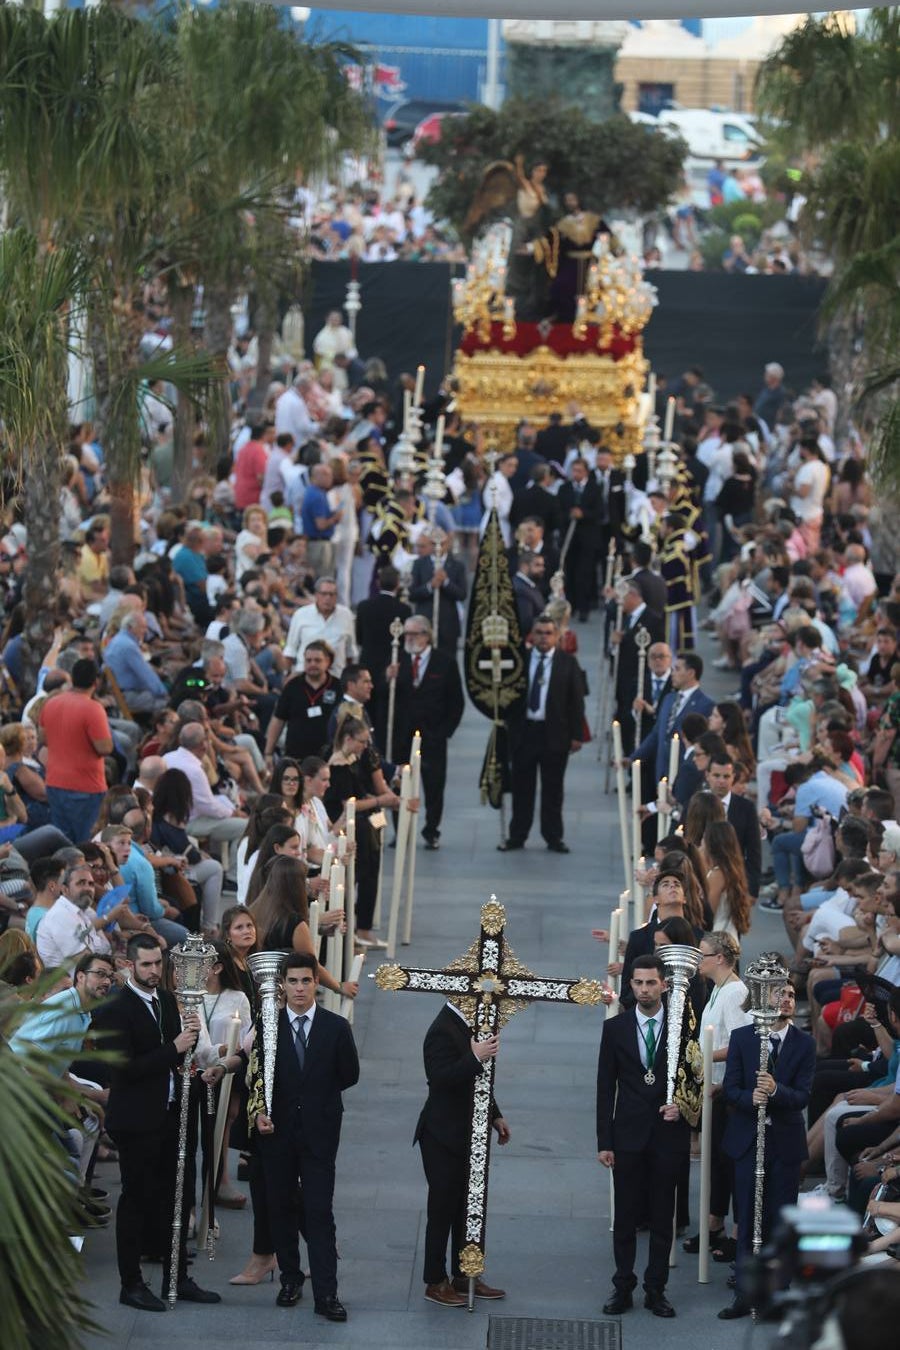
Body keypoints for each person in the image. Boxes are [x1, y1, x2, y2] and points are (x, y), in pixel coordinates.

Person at [93, 933, 220, 1312]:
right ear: (130, 965)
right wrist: (174, 1048)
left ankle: (176, 1276)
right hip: (135, 1120)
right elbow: (123, 1069)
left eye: (157, 964)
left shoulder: (166, 1000)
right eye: (146, 964)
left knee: (176, 1196)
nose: (153, 970)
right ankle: (130, 1284)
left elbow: (177, 1056)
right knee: (136, 1201)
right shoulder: (115, 1007)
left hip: (170, 1114)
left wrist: (193, 1055)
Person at [251, 952, 359, 1322]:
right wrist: (261, 1112)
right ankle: (290, 1279)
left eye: (306, 981)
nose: (299, 989)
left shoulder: (335, 1027)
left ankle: (326, 1294)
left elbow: (350, 1074)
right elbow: (258, 1076)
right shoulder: (267, 1025)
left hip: (319, 1133)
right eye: (293, 981)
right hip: (276, 1133)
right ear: (281, 984)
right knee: (280, 1207)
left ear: (316, 983)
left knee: (318, 1212)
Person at [596, 954, 694, 1318]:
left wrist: (682, 1106)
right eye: (638, 983)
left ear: (664, 985)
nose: (644, 989)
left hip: (668, 1134)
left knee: (661, 1213)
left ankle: (656, 1289)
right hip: (628, 1134)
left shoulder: (683, 1027)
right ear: (631, 985)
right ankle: (623, 1285)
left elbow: (694, 1079)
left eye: (651, 983)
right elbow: (605, 1088)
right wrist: (604, 1141)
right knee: (625, 1215)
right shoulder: (616, 1029)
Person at [719, 980, 816, 1318]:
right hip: (748, 1141)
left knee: (779, 1219)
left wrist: (776, 1092)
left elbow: (803, 1096)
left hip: (785, 1145)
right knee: (746, 1217)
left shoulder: (805, 1044)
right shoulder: (744, 1038)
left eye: (791, 995)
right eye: (781, 994)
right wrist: (751, 1098)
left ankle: (778, 1294)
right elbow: (730, 1088)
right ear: (766, 998)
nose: (788, 999)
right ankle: (744, 1294)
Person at [414, 999, 509, 1307]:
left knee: (466, 1207)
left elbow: (478, 1082)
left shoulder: (467, 1025)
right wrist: (474, 1056)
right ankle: (434, 1280)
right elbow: (440, 1080)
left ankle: (464, 1274)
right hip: (442, 1135)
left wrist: (495, 1114)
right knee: (442, 1208)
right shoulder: (441, 1030)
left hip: (469, 1132)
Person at [683, 933, 749, 1260]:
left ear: (720, 958)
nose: (699, 960)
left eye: (703, 954)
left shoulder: (735, 993)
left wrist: (703, 1056)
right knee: (714, 1162)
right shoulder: (717, 990)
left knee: (727, 1162)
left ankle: (736, 1232)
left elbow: (741, 1045)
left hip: (726, 1091)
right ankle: (714, 1224)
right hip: (715, 1089)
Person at [501, 616, 584, 853]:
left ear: (557, 636)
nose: (544, 637)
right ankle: (517, 835)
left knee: (553, 789)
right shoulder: (521, 661)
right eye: (539, 632)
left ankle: (553, 836)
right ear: (532, 635)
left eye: (548, 633)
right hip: (524, 732)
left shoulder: (567, 663)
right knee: (521, 788)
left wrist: (576, 734)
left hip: (554, 734)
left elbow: (576, 701)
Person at [392, 616, 464, 850]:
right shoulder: (397, 660)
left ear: (427, 635)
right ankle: (401, 829)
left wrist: (445, 731)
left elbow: (456, 701)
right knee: (400, 783)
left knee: (434, 785)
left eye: (415, 634)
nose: (410, 638)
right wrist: (388, 679)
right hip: (402, 736)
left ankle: (431, 829)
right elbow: (385, 697)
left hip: (433, 736)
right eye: (407, 634)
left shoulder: (445, 662)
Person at [39, 657, 113, 843]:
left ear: (72, 679)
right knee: (86, 844)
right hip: (86, 787)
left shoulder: (51, 703)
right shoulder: (93, 709)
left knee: (62, 842)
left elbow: (43, 739)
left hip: (55, 783)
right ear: (96, 682)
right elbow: (105, 748)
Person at [632, 652, 714, 786]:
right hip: (662, 771)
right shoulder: (669, 699)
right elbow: (656, 734)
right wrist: (633, 759)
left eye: (677, 669)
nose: (672, 673)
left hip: (685, 772)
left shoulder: (705, 704)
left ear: (691, 673)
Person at [266, 640, 342, 765]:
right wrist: (268, 753)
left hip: (328, 759)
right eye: (308, 660)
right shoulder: (292, 686)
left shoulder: (337, 687)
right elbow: (278, 720)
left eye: (317, 660)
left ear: (328, 662)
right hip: (296, 757)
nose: (312, 664)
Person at [408, 530, 467, 654]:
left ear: (448, 543)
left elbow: (462, 594)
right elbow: (412, 594)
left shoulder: (457, 566)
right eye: (434, 543)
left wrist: (446, 582)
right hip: (424, 622)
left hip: (448, 624)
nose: (438, 547)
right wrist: (430, 586)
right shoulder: (419, 564)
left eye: (442, 543)